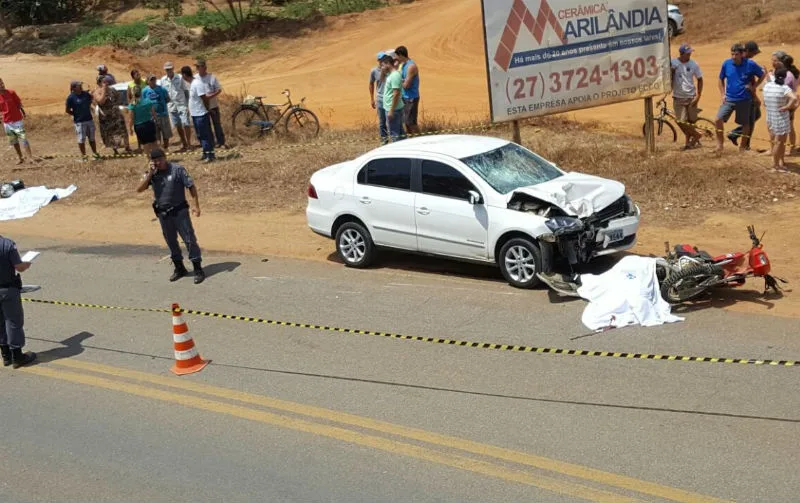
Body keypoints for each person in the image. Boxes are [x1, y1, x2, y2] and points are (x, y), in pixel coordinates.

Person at [136, 148, 206, 284]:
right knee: (171, 241)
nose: (157, 162)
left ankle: (197, 268)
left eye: (159, 159)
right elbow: (139, 189)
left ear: (165, 157)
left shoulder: (177, 170)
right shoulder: (152, 173)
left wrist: (196, 205)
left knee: (189, 239)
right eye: (154, 160)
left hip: (180, 211)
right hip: (163, 213)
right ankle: (179, 267)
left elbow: (191, 186)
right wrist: (150, 173)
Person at [715, 43, 764, 152]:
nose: (733, 57)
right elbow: (720, 79)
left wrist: (754, 87)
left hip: (744, 99)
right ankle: (720, 145)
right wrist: (723, 94)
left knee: (746, 123)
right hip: (729, 99)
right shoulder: (726, 64)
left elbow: (762, 75)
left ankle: (743, 147)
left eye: (736, 54)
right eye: (732, 54)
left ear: (742, 54)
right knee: (718, 119)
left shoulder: (750, 64)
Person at [0, 234, 36, 369]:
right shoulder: (7, 244)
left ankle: (5, 355)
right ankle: (17, 356)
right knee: (13, 321)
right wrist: (26, 264)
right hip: (8, 289)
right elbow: (19, 267)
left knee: (0, 321)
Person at [727, 41, 767, 149]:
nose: (754, 55)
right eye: (754, 53)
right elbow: (747, 86)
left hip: (749, 95)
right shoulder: (746, 63)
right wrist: (755, 97)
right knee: (750, 122)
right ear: (747, 51)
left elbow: (761, 75)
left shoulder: (748, 62)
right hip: (747, 97)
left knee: (755, 116)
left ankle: (735, 134)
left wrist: (755, 86)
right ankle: (745, 145)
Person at [762, 68, 799, 172]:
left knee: (777, 142)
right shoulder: (784, 88)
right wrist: (787, 106)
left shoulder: (768, 86)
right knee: (779, 142)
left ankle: (779, 164)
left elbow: (764, 101)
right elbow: (794, 98)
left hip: (770, 116)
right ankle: (775, 165)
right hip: (781, 118)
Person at [670, 44, 704, 149]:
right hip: (678, 97)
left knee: (690, 121)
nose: (689, 55)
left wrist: (698, 95)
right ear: (682, 54)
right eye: (687, 53)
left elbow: (700, 79)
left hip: (691, 97)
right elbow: (668, 77)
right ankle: (697, 135)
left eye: (690, 53)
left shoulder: (694, 64)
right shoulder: (673, 63)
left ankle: (689, 143)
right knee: (680, 121)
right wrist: (672, 71)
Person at [183, 65, 215, 162]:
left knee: (205, 135)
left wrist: (208, 109)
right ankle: (205, 153)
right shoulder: (192, 84)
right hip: (195, 114)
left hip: (201, 114)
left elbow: (204, 98)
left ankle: (210, 155)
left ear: (184, 75)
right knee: (200, 135)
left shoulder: (197, 83)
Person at [92, 75, 131, 155]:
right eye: (104, 82)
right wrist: (103, 90)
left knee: (123, 130)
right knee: (110, 134)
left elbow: (118, 98)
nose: (106, 83)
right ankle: (115, 150)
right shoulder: (97, 92)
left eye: (106, 81)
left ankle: (127, 147)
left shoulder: (112, 90)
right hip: (106, 117)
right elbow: (100, 101)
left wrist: (115, 106)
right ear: (99, 83)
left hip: (116, 114)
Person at [0, 78, 34, 164]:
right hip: (7, 122)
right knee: (14, 141)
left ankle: (30, 158)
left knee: (23, 139)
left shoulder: (11, 92)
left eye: (2, 83)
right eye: (0, 84)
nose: (2, 85)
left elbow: (18, 104)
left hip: (17, 120)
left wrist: (23, 112)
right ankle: (21, 158)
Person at [160, 61, 192, 151]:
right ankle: (184, 143)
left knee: (186, 123)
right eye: (167, 69)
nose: (168, 71)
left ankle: (189, 144)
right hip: (171, 106)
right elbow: (164, 93)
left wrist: (187, 104)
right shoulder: (163, 80)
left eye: (170, 69)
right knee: (178, 125)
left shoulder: (180, 77)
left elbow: (186, 91)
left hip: (181, 104)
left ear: (173, 68)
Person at [65, 80, 100, 160]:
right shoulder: (71, 98)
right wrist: (75, 114)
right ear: (74, 88)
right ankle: (84, 156)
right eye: (79, 85)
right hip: (79, 122)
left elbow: (91, 100)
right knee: (81, 140)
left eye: (81, 85)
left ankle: (95, 154)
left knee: (92, 138)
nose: (81, 86)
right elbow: (67, 110)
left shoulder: (85, 94)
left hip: (89, 120)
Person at [195, 59, 226, 149]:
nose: (197, 68)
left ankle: (221, 142)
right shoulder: (195, 78)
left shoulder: (212, 77)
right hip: (202, 107)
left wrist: (210, 97)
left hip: (213, 105)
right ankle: (211, 143)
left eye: (199, 66)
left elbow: (219, 90)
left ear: (204, 67)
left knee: (217, 124)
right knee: (206, 126)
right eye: (196, 67)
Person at [395, 45, 421, 136]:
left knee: (411, 123)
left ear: (401, 55)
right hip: (405, 97)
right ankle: (411, 140)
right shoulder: (403, 65)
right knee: (406, 122)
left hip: (411, 98)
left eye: (397, 56)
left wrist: (398, 81)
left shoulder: (411, 66)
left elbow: (406, 85)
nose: (396, 58)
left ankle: (420, 140)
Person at [143, 74, 173, 150]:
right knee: (155, 134)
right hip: (151, 116)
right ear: (148, 81)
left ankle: (166, 147)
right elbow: (143, 102)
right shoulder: (144, 91)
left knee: (166, 133)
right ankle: (158, 149)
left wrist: (161, 105)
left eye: (154, 79)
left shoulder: (162, 89)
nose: (153, 81)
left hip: (163, 114)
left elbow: (168, 99)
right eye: (151, 80)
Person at [777, 53, 799, 153]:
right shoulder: (795, 73)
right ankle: (792, 147)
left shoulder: (787, 75)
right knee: (791, 125)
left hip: (787, 102)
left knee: (786, 126)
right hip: (793, 101)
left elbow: (783, 88)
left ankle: (787, 149)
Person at [127, 85, 158, 157]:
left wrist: (130, 129)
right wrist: (156, 121)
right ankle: (157, 157)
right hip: (149, 124)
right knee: (154, 142)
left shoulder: (132, 105)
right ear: (141, 92)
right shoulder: (148, 101)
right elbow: (154, 113)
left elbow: (131, 119)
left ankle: (149, 160)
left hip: (139, 126)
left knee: (145, 144)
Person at [380, 53, 405, 142]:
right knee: (400, 133)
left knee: (395, 135)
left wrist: (391, 110)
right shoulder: (390, 75)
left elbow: (396, 93)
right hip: (392, 108)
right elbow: (382, 79)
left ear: (388, 63)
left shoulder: (394, 75)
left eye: (382, 65)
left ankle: (398, 152)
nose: (381, 68)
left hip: (393, 109)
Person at [369, 51, 390, 144]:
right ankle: (384, 141)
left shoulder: (390, 70)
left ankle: (393, 142)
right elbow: (371, 84)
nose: (383, 61)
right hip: (380, 99)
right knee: (382, 123)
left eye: (384, 59)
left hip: (389, 98)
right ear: (378, 60)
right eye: (381, 59)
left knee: (390, 122)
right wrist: (372, 99)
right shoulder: (374, 71)